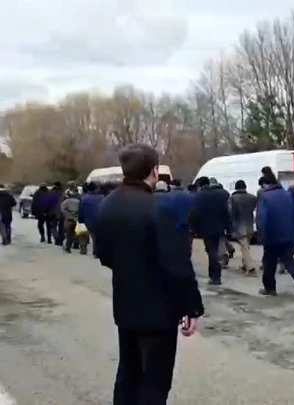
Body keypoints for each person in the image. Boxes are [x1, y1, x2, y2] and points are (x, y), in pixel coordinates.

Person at [94, 143, 204, 404]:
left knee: (128, 374)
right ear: (154, 171)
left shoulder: (108, 205)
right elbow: (177, 264)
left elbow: (103, 253)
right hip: (159, 311)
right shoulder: (158, 209)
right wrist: (192, 307)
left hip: (125, 304)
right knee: (154, 381)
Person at [256, 166, 294, 297]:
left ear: (265, 184)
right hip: (289, 235)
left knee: (269, 263)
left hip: (272, 236)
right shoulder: (287, 195)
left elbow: (262, 218)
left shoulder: (265, 196)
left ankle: (270, 288)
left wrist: (261, 235)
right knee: (289, 261)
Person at [192, 176, 231, 285]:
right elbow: (226, 212)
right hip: (219, 227)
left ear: (200, 185)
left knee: (211, 252)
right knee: (214, 250)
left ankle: (215, 276)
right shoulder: (219, 195)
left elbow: (195, 213)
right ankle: (214, 275)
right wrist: (228, 226)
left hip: (206, 228)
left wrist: (195, 228)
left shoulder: (199, 196)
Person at [229, 180, 259, 275]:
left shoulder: (232, 198)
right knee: (245, 246)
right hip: (250, 225)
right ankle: (245, 264)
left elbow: (229, 212)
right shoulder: (252, 197)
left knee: (244, 246)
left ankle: (250, 267)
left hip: (238, 225)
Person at [79, 182, 103, 257]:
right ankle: (96, 251)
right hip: (99, 219)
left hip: (88, 220)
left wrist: (80, 220)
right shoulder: (102, 198)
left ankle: (83, 248)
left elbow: (81, 210)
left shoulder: (84, 199)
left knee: (84, 233)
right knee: (96, 236)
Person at [60, 188, 88, 254]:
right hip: (79, 219)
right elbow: (82, 210)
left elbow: (63, 211)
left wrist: (69, 216)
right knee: (82, 234)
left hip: (69, 220)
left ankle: (68, 248)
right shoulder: (79, 201)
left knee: (69, 234)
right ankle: (83, 248)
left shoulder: (65, 202)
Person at [45, 182, 64, 246]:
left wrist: (45, 210)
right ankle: (60, 240)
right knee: (61, 227)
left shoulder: (50, 193)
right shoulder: (62, 193)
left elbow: (46, 202)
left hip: (51, 212)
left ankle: (57, 238)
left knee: (53, 227)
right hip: (61, 212)